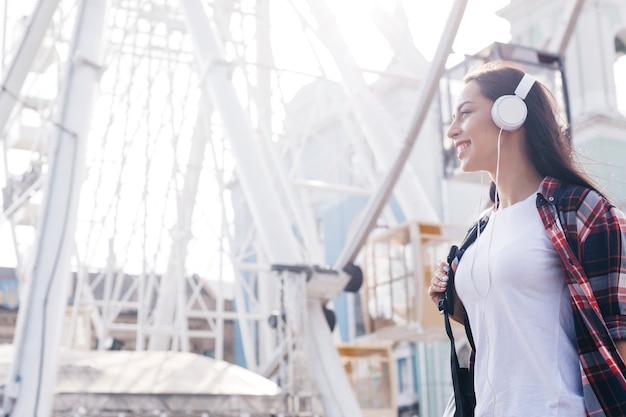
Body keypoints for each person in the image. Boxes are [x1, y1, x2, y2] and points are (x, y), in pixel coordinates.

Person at [428, 61, 626, 416]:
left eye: (465, 113)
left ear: (510, 111)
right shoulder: (479, 232)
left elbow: (620, 336)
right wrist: (451, 295)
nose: (452, 131)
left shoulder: (580, 209)